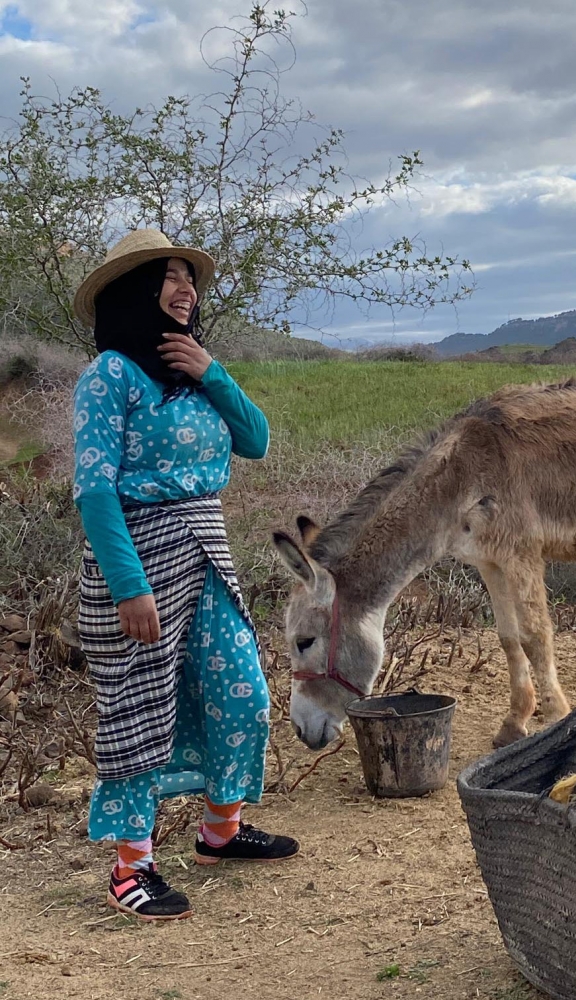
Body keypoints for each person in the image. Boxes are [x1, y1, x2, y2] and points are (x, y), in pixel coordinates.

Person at [71, 229, 298, 922]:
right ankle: (130, 867)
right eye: (167, 277)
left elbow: (255, 440)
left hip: (205, 551)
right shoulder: (110, 374)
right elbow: (94, 488)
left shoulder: (192, 370)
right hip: (138, 556)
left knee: (243, 693)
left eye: (188, 277)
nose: (185, 288)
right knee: (141, 707)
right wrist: (128, 586)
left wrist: (210, 370)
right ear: (135, 294)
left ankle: (220, 832)